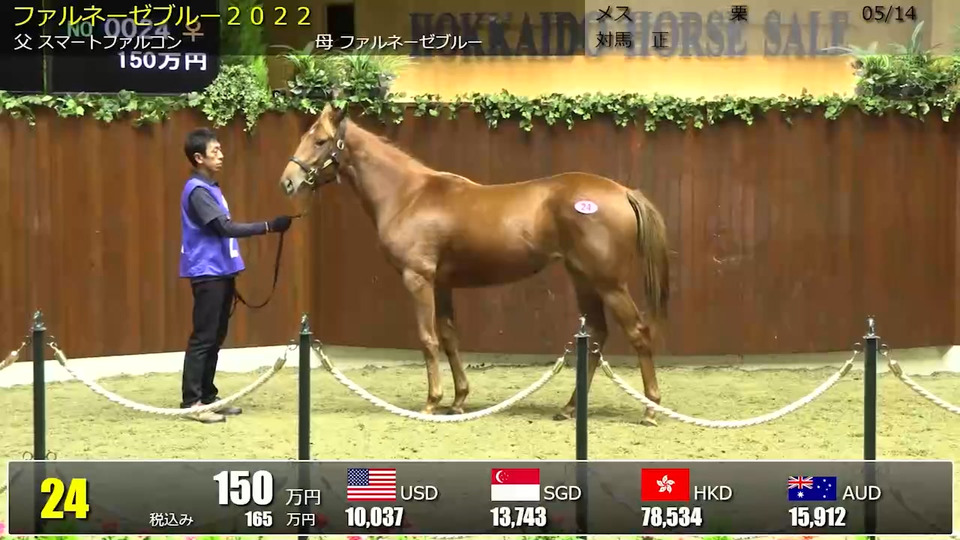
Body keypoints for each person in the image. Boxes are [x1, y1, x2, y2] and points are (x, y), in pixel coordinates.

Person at [178, 127, 293, 423]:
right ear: (199, 157)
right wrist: (268, 227)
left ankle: (207, 396)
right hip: (208, 271)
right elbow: (224, 228)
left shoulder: (210, 188)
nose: (221, 155)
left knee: (215, 336)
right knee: (204, 337)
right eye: (215, 151)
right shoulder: (198, 191)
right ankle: (192, 402)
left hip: (219, 270)